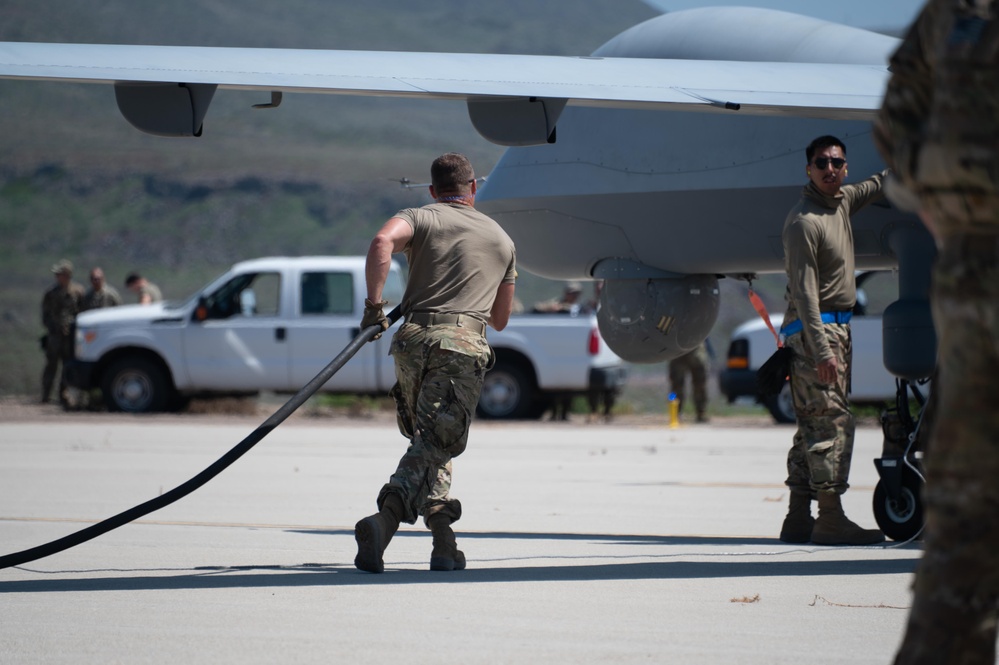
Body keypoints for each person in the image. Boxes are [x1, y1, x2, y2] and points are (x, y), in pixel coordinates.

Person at [874, 1, 999, 661]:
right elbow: (895, 114)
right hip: (972, 267)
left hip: (970, 264)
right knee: (965, 502)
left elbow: (895, 117)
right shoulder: (944, 15)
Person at [353, 152, 517, 574]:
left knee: (430, 444)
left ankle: (444, 544)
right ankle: (385, 521)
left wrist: (375, 308)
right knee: (435, 443)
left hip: (410, 342)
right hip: (460, 346)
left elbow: (381, 241)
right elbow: (499, 320)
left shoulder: (421, 216)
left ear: (433, 191)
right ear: (474, 188)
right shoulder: (502, 240)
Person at [777, 135, 886, 546]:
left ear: (844, 168)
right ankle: (831, 518)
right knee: (832, 422)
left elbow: (877, 185)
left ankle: (798, 517)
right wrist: (822, 349)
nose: (829, 169)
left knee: (812, 421)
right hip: (815, 332)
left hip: (835, 328)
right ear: (808, 169)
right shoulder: (805, 221)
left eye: (836, 163)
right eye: (821, 163)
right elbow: (804, 292)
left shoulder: (841, 201)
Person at [40, 259, 84, 405]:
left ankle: (63, 395)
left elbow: (83, 312)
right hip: (54, 337)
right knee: (51, 366)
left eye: (60, 274)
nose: (57, 277)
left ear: (67, 275)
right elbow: (45, 314)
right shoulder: (51, 293)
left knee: (68, 366)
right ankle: (45, 395)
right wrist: (51, 327)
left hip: (70, 338)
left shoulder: (78, 291)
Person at [668, 341, 711, 423]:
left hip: (695, 350)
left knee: (700, 385)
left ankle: (701, 412)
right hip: (677, 351)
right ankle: (674, 413)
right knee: (675, 387)